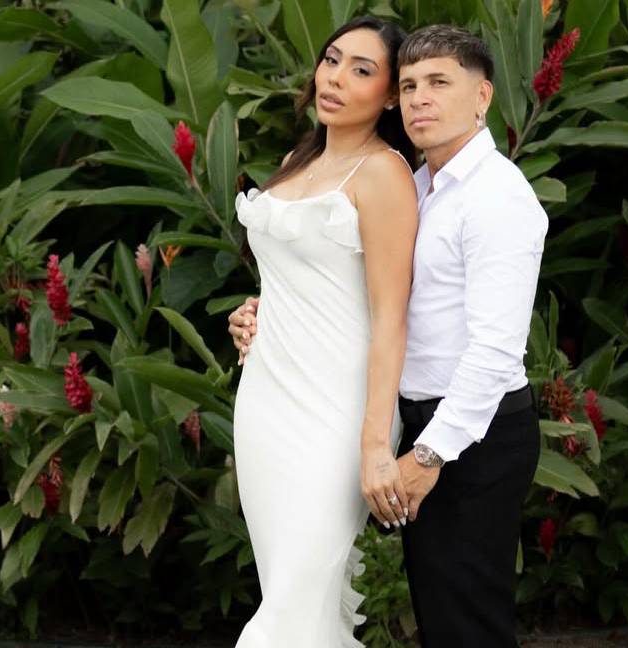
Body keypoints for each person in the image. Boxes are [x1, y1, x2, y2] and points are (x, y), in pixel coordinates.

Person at [230, 25, 549, 648]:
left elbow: (493, 353)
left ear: (482, 96)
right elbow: (359, 287)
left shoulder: (497, 197)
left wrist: (428, 455)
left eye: (439, 83)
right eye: (410, 85)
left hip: (473, 430)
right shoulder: (425, 183)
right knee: (442, 623)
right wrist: (265, 310)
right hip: (404, 415)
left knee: (468, 625)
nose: (420, 98)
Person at [229, 16, 419, 648]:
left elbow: (391, 318)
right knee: (294, 598)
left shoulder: (384, 174)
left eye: (361, 70)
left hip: (337, 414)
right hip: (266, 401)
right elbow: (301, 277)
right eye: (332, 60)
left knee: (290, 605)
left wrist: (375, 442)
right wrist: (252, 312)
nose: (335, 78)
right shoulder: (296, 162)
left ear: (390, 95)